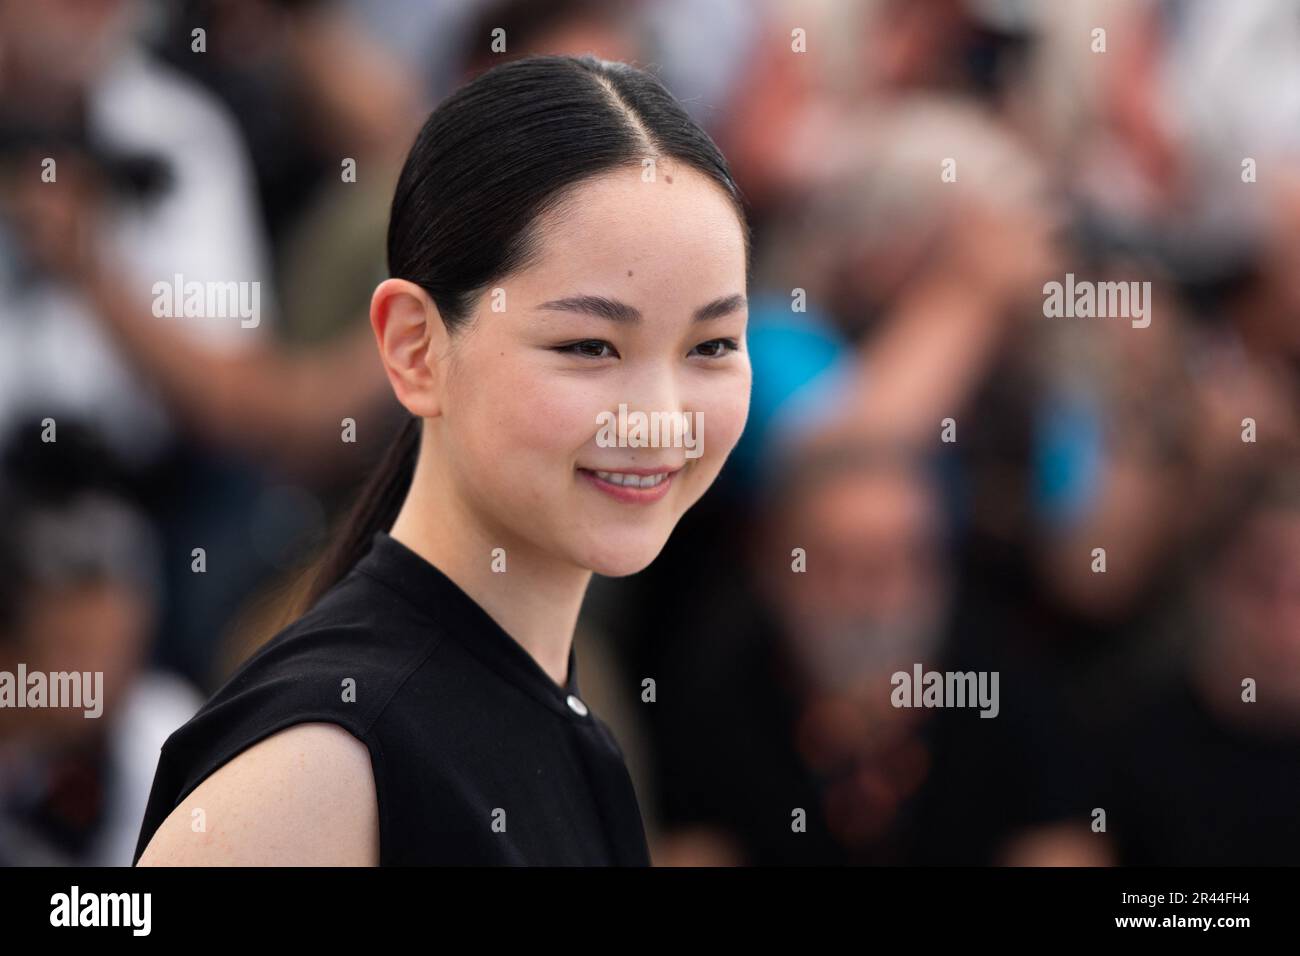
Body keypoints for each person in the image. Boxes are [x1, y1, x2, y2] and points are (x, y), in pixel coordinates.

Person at [132, 53, 753, 865]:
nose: (660, 421)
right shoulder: (319, 766)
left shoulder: (563, 717)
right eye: (590, 345)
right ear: (416, 348)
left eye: (710, 345)